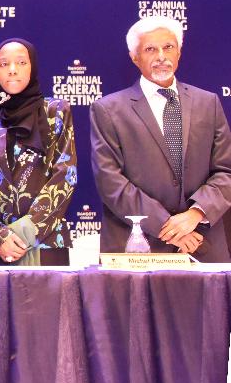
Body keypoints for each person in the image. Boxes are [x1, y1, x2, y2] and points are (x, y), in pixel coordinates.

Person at [91, 17, 231, 261]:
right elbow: (110, 181)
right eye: (150, 49)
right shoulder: (108, 110)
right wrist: (168, 227)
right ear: (135, 58)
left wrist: (196, 213)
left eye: (168, 47)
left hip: (202, 242)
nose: (161, 57)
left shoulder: (208, 103)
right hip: (137, 246)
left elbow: (226, 170)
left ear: (179, 52)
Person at [0, 38, 76, 266]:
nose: (12, 70)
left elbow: (65, 175)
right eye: (4, 64)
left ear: (33, 66)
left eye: (21, 62)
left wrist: (25, 232)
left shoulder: (55, 112)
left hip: (46, 242)